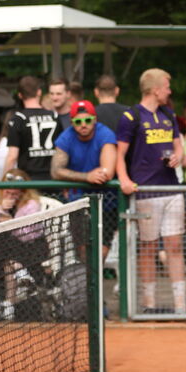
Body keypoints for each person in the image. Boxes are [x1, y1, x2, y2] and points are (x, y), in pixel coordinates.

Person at [116, 68, 186, 313]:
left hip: (171, 188)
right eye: (167, 86)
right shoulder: (131, 116)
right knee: (148, 247)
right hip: (146, 190)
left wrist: (178, 158)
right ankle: (148, 304)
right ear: (155, 89)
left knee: (175, 245)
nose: (169, 91)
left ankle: (180, 305)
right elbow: (120, 153)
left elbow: (179, 148)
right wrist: (124, 178)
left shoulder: (168, 113)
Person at [52, 99, 118, 261]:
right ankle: (87, 284)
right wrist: (86, 177)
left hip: (107, 201)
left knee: (101, 249)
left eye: (88, 120)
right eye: (78, 121)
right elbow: (55, 171)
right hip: (78, 200)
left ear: (95, 120)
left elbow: (107, 172)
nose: (83, 125)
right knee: (82, 249)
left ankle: (96, 283)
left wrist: (72, 175)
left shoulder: (105, 134)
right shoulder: (66, 137)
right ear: (72, 122)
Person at [0, 168, 50, 320]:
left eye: (15, 193)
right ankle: (19, 274)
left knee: (8, 246)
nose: (11, 195)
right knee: (7, 253)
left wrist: (8, 222)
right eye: (8, 192)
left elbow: (29, 233)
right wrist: (1, 209)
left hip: (31, 247)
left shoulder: (32, 203)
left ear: (22, 191)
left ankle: (9, 306)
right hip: (5, 250)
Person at [5, 76, 60, 181]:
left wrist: (3, 183)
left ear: (20, 95)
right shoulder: (54, 116)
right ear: (39, 92)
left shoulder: (18, 119)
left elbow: (12, 156)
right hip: (53, 178)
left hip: (29, 180)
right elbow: (61, 149)